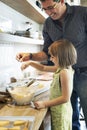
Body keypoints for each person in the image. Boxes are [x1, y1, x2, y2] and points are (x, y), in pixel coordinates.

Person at [16, 0, 87, 129]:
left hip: (85, 73)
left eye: (51, 7)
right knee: (70, 116)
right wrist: (30, 57)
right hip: (67, 71)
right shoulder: (48, 24)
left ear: (61, 1)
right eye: (44, 9)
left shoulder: (83, 13)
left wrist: (45, 103)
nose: (48, 12)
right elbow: (46, 53)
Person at [21, 39, 77, 130]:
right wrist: (30, 63)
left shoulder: (64, 72)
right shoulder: (61, 68)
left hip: (61, 112)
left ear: (61, 57)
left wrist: (44, 103)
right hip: (58, 110)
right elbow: (43, 67)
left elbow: (65, 98)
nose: (50, 59)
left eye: (52, 57)